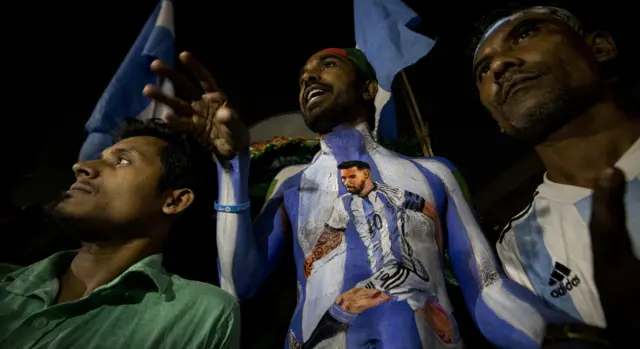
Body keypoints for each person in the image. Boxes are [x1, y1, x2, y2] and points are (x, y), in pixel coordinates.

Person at [145, 49, 567, 349]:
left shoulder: (433, 173)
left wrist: (565, 339)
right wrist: (231, 167)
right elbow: (237, 285)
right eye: (302, 76)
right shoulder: (292, 184)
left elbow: (488, 286)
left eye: (327, 65)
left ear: (368, 88)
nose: (309, 77)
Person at [472, 3, 640, 346]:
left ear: (599, 48)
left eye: (526, 34)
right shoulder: (516, 252)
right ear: (498, 121)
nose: (500, 66)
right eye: (484, 69)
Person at [0, 119, 240, 349]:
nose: (81, 167)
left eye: (123, 161)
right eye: (99, 158)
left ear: (175, 201)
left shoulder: (200, 314)